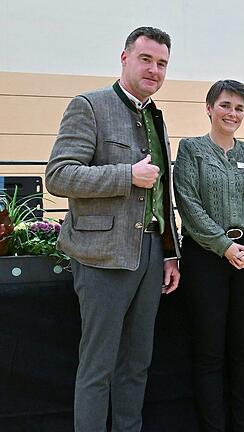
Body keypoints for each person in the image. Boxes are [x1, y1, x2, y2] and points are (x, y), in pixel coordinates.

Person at [45, 27, 180, 432]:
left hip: (151, 254)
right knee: (98, 366)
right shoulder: (89, 106)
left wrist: (170, 252)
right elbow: (59, 175)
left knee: (136, 365)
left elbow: (162, 193)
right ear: (124, 58)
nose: (154, 70)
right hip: (102, 255)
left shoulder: (155, 115)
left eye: (161, 63)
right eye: (146, 59)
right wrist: (127, 175)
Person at [173, 80, 244, 431]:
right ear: (209, 108)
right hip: (207, 260)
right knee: (209, 353)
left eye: (240, 108)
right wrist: (224, 246)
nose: (233, 113)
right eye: (226, 105)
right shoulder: (191, 150)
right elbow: (188, 205)